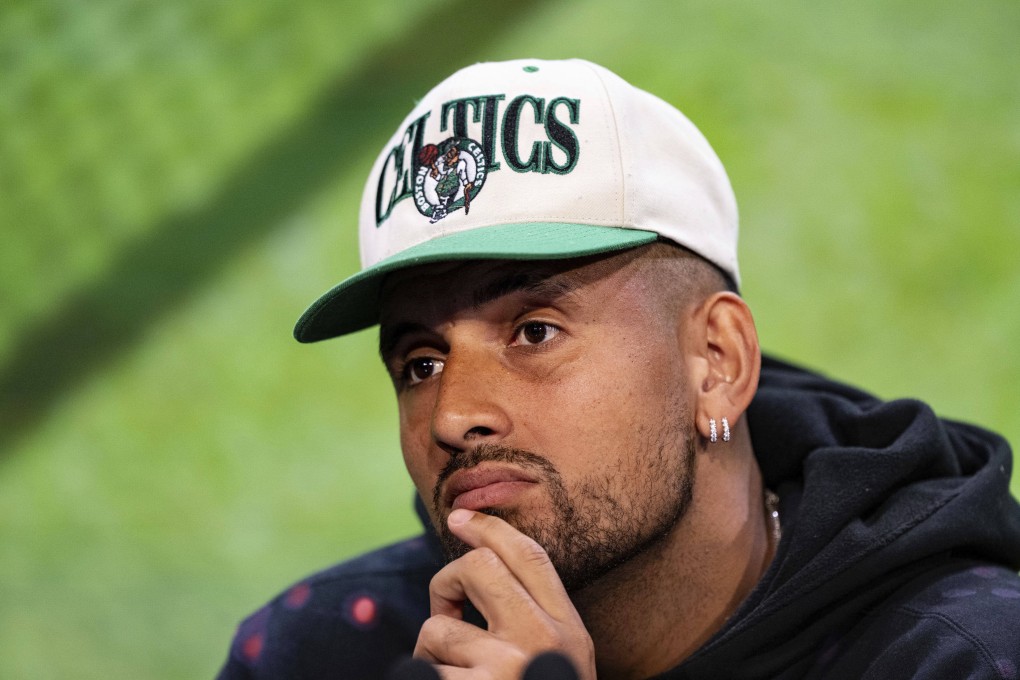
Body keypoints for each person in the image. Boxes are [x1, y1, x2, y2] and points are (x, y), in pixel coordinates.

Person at [216, 59, 1020, 680]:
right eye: (421, 362)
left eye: (534, 331)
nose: (454, 415)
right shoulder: (319, 648)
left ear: (717, 361)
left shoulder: (961, 657)